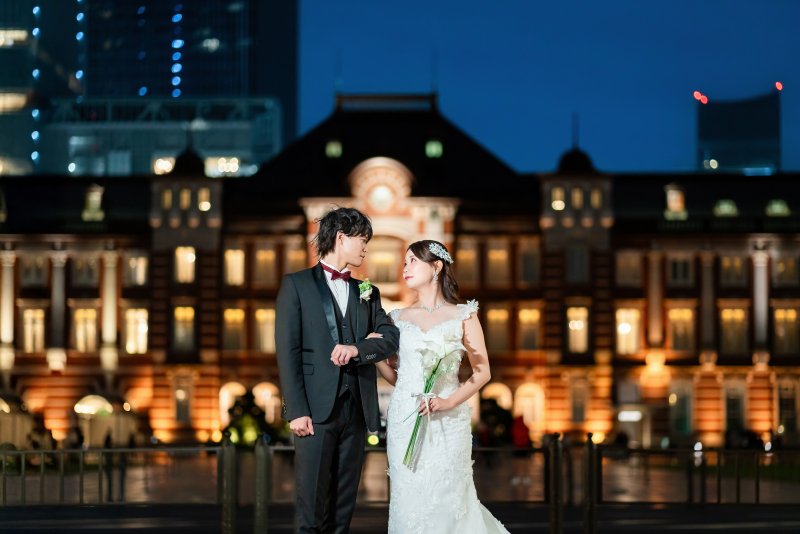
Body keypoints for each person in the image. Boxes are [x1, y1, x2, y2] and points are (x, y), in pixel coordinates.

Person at [371, 240, 510, 534]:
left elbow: (482, 371)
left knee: (449, 496)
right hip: (405, 419)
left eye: (413, 261)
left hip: (447, 419)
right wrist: (377, 358)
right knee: (407, 498)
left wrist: (449, 401)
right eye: (404, 262)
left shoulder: (463, 314)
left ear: (436, 267)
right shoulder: (396, 318)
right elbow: (398, 378)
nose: (405, 268)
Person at [276, 207, 400, 534]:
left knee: (343, 508)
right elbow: (287, 352)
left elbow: (390, 337)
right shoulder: (297, 284)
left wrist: (359, 347)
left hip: (356, 411)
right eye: (363, 240)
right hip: (314, 413)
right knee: (311, 505)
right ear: (341, 238)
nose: (366, 249)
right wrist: (296, 410)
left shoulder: (368, 291)